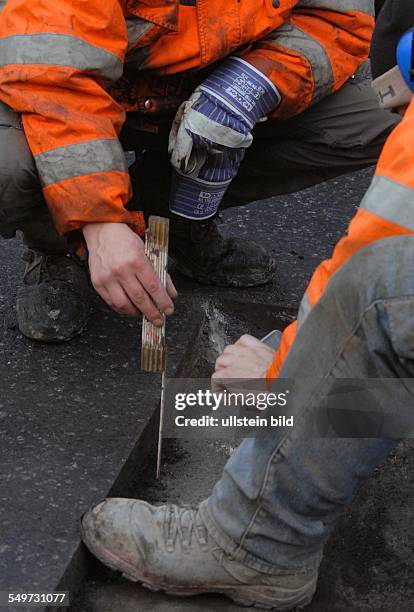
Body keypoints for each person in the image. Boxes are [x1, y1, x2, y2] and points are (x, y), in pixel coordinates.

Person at [81, 3, 414, 609]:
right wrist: (96, 219)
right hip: (111, 96)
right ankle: (71, 243)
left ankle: (255, 545)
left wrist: (287, 375)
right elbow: (48, 70)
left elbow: (384, 285)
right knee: (18, 159)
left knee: (379, 299)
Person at [0, 0, 398, 343]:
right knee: (8, 164)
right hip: (82, 84)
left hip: (204, 78)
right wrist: (98, 221)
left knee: (390, 118)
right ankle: (57, 245)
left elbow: (336, 19)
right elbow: (55, 78)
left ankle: (176, 219)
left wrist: (251, 85)